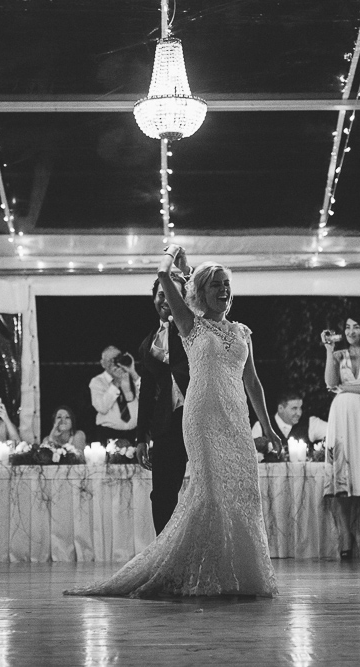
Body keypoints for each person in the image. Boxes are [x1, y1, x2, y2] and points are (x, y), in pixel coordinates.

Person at [66, 245, 283, 598]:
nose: (223, 290)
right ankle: (201, 572)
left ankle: (239, 574)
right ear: (200, 292)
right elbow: (163, 275)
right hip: (201, 417)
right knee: (210, 495)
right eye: (215, 285)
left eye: (226, 284)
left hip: (236, 419)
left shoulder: (243, 332)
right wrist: (172, 252)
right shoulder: (189, 325)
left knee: (242, 494)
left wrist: (268, 427)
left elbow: (253, 382)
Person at [321, 317, 360, 560]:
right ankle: (346, 536)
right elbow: (330, 382)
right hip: (342, 415)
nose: (351, 331)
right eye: (347, 327)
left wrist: (348, 389)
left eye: (356, 326)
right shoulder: (339, 355)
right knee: (342, 477)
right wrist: (329, 351)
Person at [135, 273, 191, 535]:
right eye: (161, 294)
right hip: (166, 425)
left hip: (196, 418)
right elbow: (146, 392)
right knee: (161, 496)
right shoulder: (147, 343)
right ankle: (165, 556)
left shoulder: (192, 331)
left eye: (173, 294)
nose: (166, 300)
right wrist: (141, 437)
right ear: (153, 298)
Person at [90, 346, 141, 442]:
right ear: (103, 363)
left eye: (117, 358)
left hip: (134, 433)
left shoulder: (131, 377)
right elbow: (102, 408)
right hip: (109, 434)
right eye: (110, 360)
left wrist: (133, 372)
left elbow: (148, 397)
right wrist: (116, 383)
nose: (115, 363)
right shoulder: (97, 381)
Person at [251, 391, 327, 447]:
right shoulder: (261, 426)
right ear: (281, 408)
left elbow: (335, 432)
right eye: (294, 408)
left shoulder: (311, 423)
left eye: (300, 408)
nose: (299, 413)